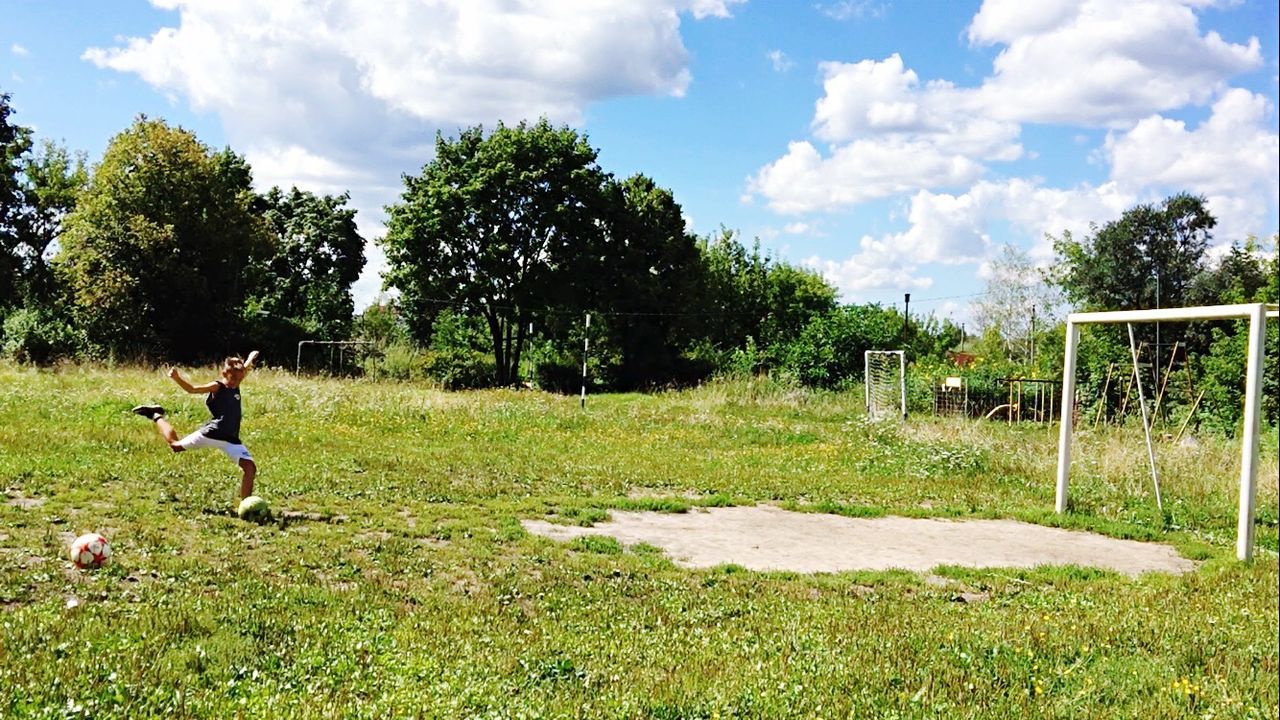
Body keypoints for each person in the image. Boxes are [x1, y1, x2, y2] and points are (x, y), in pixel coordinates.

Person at [132, 351, 260, 501]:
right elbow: (192, 389)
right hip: (212, 433)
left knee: (250, 468)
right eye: (233, 378)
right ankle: (155, 414)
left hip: (230, 439)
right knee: (175, 446)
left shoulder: (237, 380)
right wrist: (177, 378)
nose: (237, 381)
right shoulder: (217, 387)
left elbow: (245, 368)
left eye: (239, 378)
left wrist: (251, 357)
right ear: (224, 374)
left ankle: (247, 505)